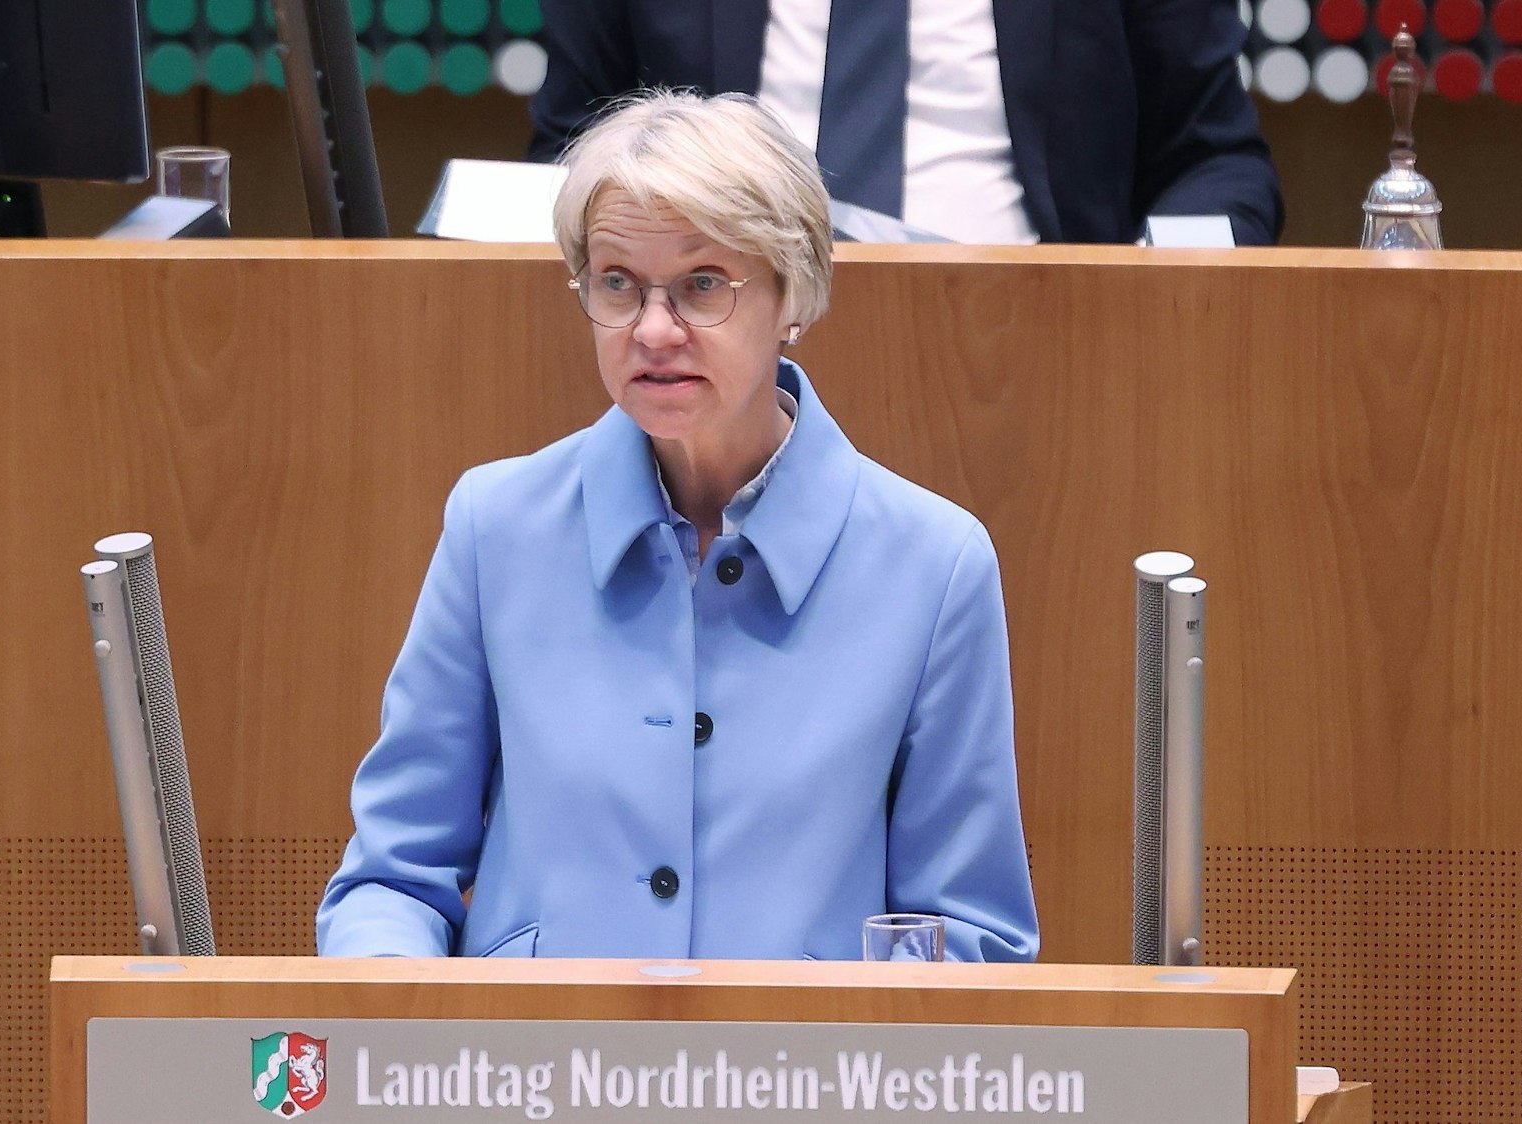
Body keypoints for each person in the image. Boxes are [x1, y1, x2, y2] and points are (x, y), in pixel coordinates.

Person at [316, 91, 1037, 963]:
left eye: (702, 285)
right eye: (618, 283)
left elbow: (967, 934)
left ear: (794, 295)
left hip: (800, 1056)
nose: (654, 331)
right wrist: (403, 1006)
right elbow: (392, 879)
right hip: (533, 1052)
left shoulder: (934, 565)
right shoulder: (495, 527)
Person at [528, 0, 1283, 247]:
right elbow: (572, 153)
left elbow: (1215, 164)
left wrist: (1149, 293)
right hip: (712, 353)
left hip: (1037, 350)